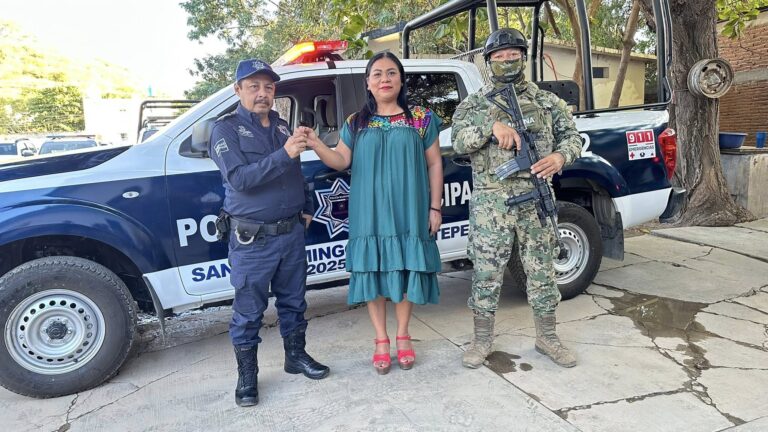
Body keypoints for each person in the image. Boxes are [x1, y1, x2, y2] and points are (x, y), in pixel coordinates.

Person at [451, 28, 583, 369]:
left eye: (514, 56)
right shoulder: (474, 104)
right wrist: (490, 127)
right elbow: (459, 141)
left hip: (535, 202)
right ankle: (481, 341)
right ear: (489, 61)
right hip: (491, 208)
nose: (507, 62)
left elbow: (572, 137)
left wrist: (560, 158)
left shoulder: (546, 102)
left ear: (524, 59)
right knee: (486, 274)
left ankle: (547, 337)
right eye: (500, 57)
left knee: (542, 272)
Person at [305, 51, 443, 375]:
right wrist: (314, 143)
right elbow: (340, 160)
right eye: (377, 74)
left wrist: (435, 207)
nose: (385, 79)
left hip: (409, 209)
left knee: (407, 268)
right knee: (374, 271)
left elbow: (435, 163)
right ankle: (381, 339)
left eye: (391, 73)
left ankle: (403, 334)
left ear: (401, 79)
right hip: (369, 212)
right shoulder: (356, 122)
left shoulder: (421, 118)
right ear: (368, 82)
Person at [209, 58, 330, 407]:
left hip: (291, 234)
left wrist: (306, 206)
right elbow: (240, 180)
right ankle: (247, 378)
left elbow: (295, 172)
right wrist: (286, 153)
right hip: (252, 240)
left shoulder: (280, 127)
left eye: (268, 87)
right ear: (238, 90)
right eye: (254, 86)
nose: (263, 93)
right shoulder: (226, 129)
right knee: (249, 311)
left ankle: (296, 358)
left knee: (295, 302)